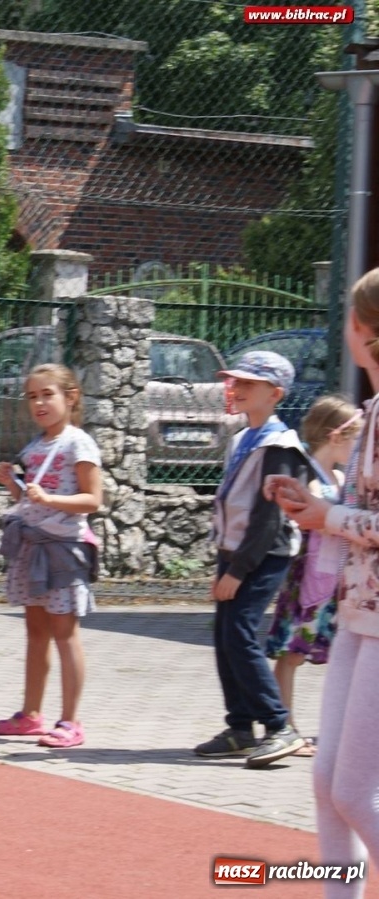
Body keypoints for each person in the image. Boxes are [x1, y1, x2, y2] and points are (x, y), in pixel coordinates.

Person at [273, 267, 379, 897]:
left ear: (361, 327)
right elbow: (361, 509)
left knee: (355, 790)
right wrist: (313, 504)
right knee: (326, 783)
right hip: (357, 611)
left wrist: (329, 517)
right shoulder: (370, 412)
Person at [195, 349, 311, 768]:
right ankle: (241, 728)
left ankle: (280, 727)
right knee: (225, 636)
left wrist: (239, 571)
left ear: (275, 393)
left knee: (240, 635)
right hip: (234, 552)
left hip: (265, 554)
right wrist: (225, 562)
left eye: (249, 383)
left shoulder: (280, 446)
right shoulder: (243, 438)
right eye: (236, 381)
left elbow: (268, 517)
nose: (237, 388)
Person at [0, 364, 103, 749]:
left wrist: (50, 499)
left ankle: (71, 721)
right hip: (32, 546)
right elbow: (30, 499)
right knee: (36, 632)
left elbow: (93, 499)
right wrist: (12, 484)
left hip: (63, 549)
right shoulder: (35, 447)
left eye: (47, 395)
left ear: (71, 397)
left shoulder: (78, 443)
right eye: (32, 396)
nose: (39, 403)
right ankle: (31, 715)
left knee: (65, 634)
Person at [266, 394, 360, 758]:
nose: (357, 450)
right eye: (355, 441)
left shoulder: (339, 478)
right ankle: (285, 727)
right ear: (336, 437)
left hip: (336, 581)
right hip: (309, 580)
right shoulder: (311, 480)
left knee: (341, 654)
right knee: (292, 654)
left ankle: (339, 731)